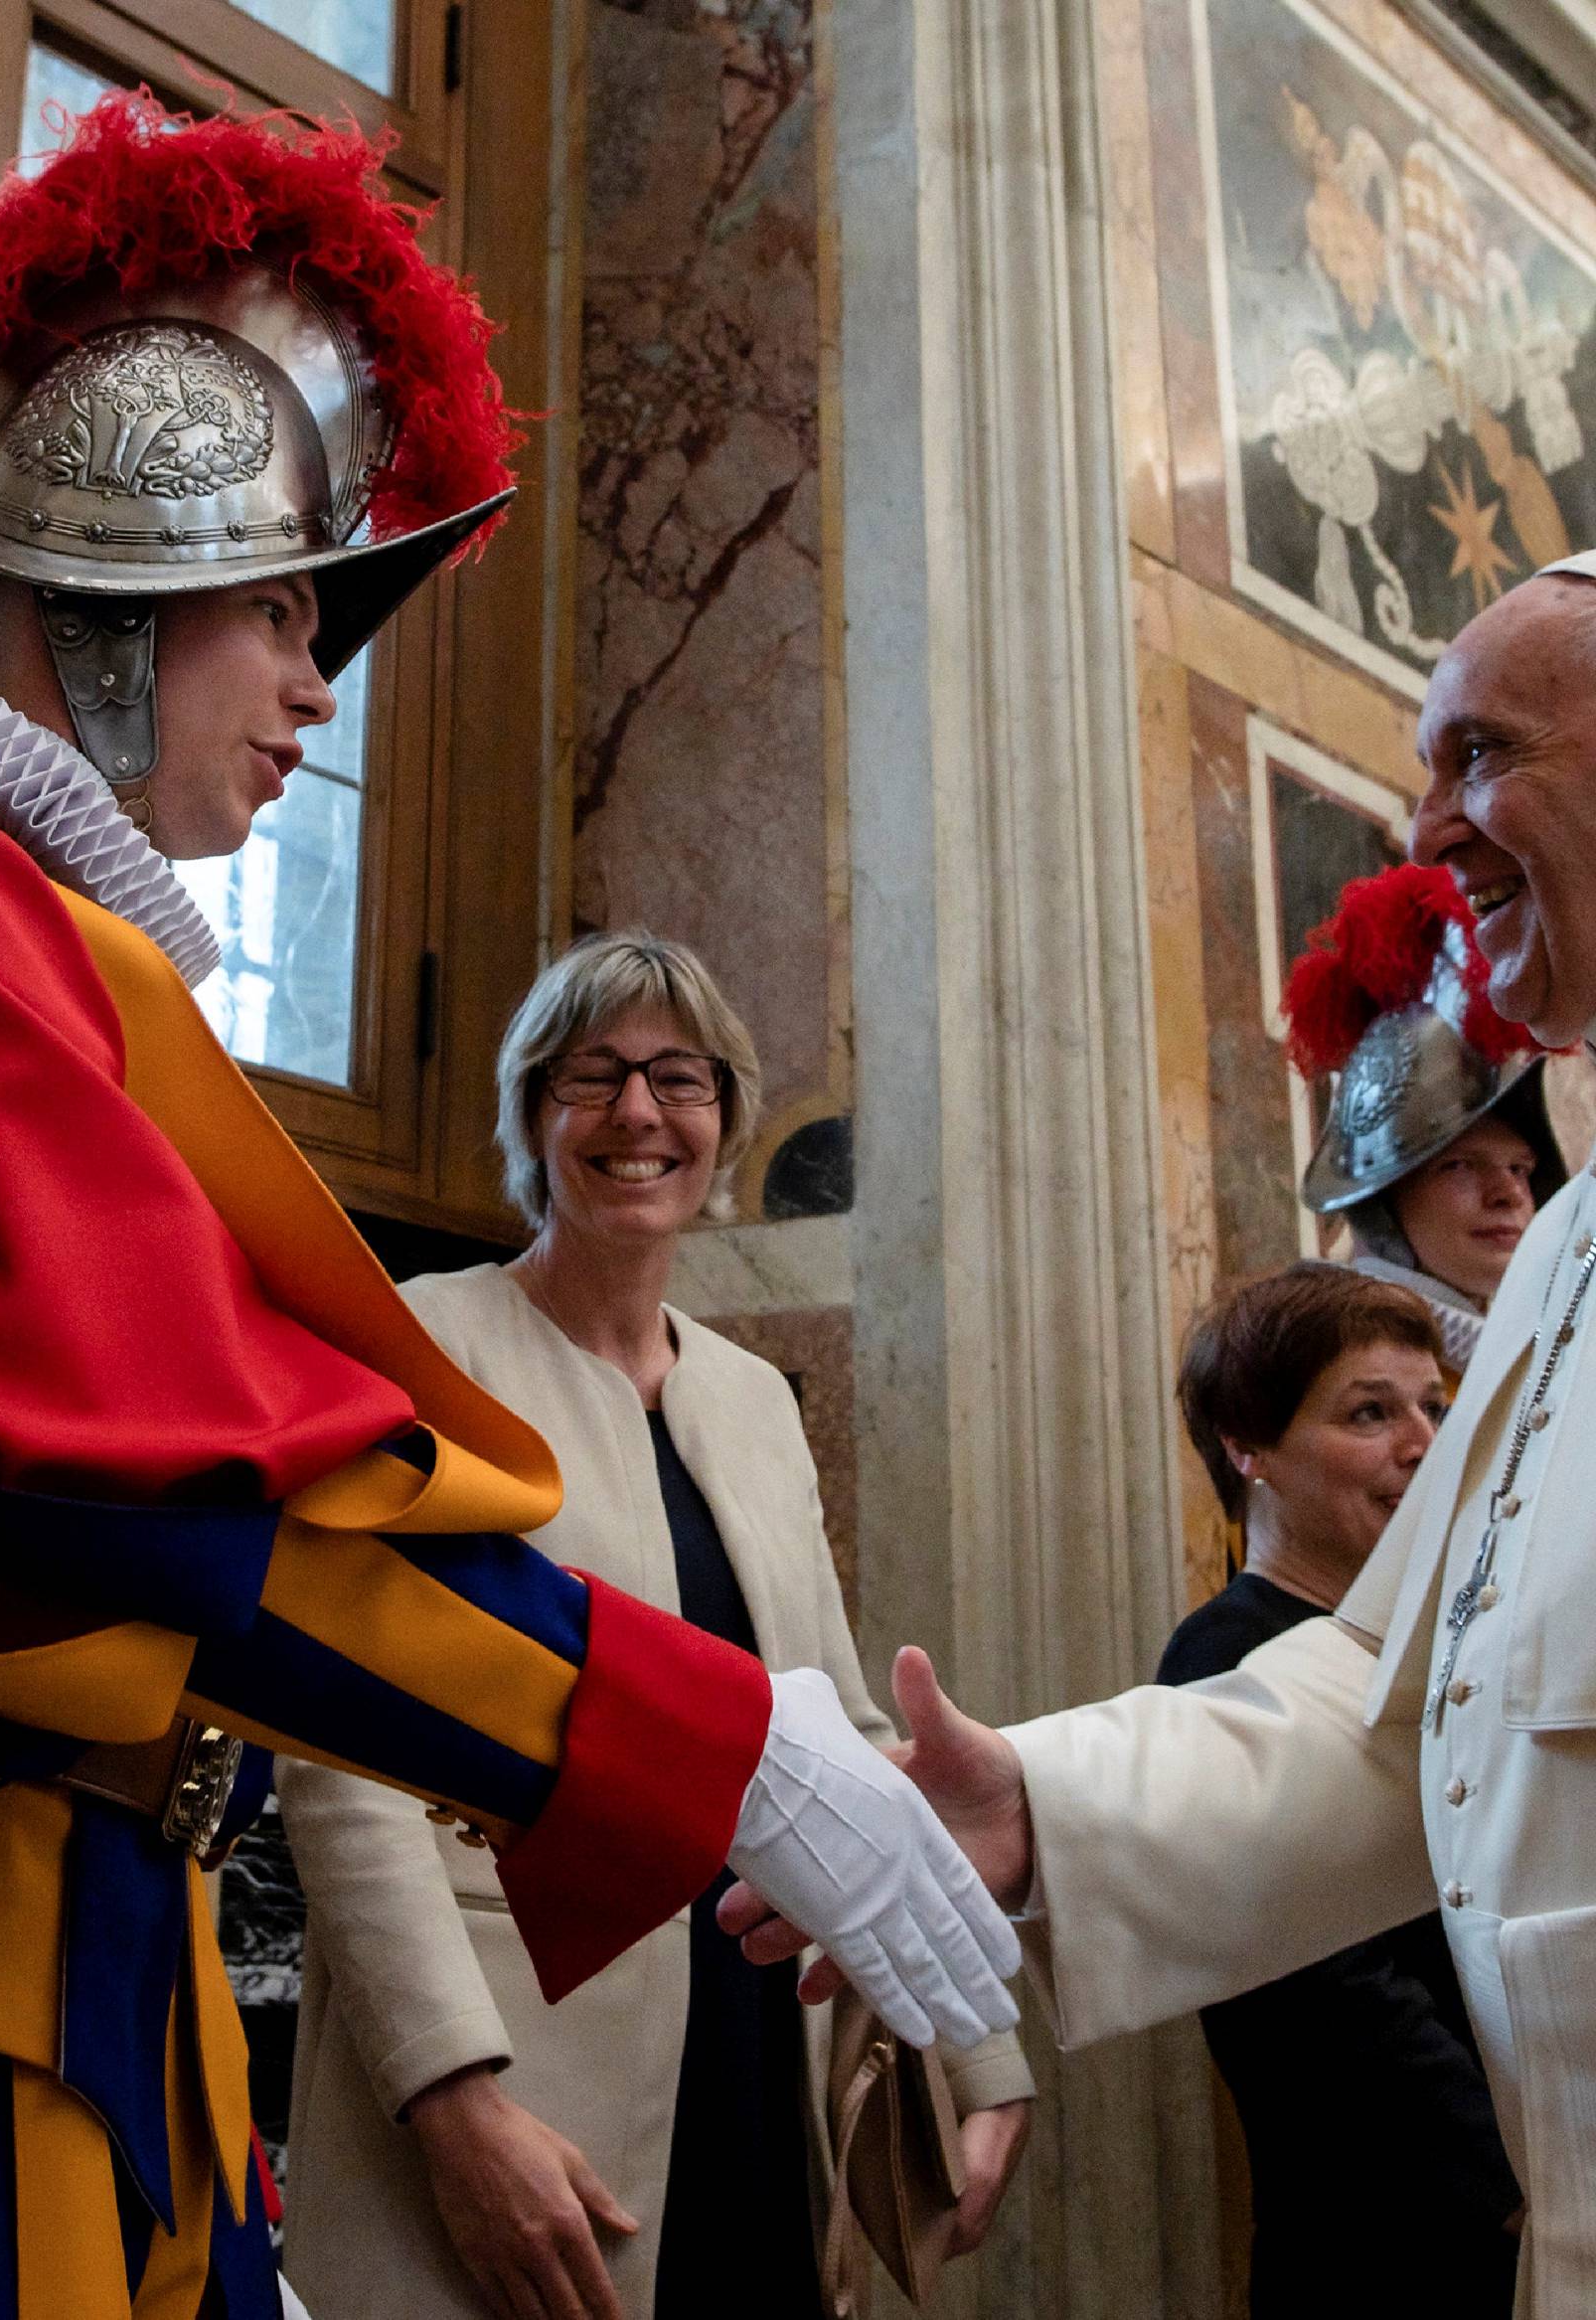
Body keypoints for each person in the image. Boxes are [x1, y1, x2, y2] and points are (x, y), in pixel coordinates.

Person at [0, 94, 1019, 2320]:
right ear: (122, 551)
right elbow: (84, 1487)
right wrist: (717, 1745)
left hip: (81, 2024)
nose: (320, 686)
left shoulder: (34, 944)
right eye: (290, 609)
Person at [723, 560, 1596, 2318]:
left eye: (1481, 752)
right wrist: (1035, 1808)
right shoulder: (1572, 1253)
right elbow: (1399, 1711)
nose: (1429, 828)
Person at [277, 935, 1036, 2320]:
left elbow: (843, 1735)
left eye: (678, 1077)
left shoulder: (752, 1397)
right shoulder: (419, 1342)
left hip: (750, 2047)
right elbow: (342, 1753)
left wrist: (976, 2040)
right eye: (594, 1076)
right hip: (513, 2052)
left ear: (727, 1121)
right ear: (530, 1115)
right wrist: (453, 2100)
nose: (639, 1113)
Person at [1159, 1263, 1517, 2316]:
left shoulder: (1441, 1639)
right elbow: (1319, 1991)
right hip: (1390, 2239)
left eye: (1432, 1407)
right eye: (1372, 1412)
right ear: (1249, 1448)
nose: (1423, 1441)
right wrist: (1519, 2178)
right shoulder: (1224, 1660)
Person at [1283, 860, 1563, 1376]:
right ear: (1381, 1202)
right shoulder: (1325, 1363)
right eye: (1459, 1165)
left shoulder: (1520, 1360)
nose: (1508, 1194)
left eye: (1520, 1169)